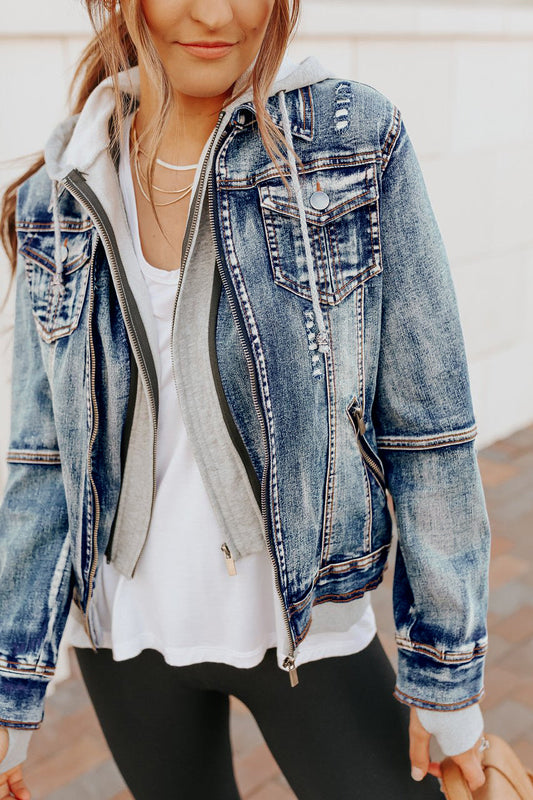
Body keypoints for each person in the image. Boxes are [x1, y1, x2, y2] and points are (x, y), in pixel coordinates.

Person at [0, 1, 492, 798]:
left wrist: (448, 689)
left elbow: (427, 432)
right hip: (123, 642)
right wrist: (9, 700)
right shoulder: (61, 188)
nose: (214, 12)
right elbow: (42, 461)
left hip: (305, 630)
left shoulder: (353, 143)